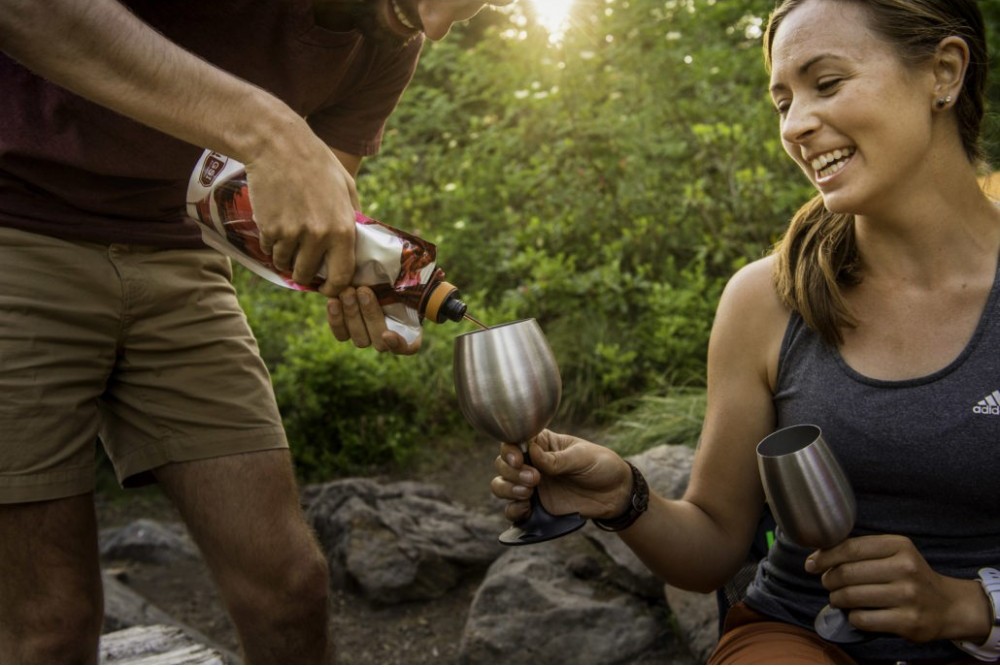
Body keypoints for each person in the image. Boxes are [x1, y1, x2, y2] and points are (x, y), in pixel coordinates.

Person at [491, 0, 1000, 663]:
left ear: (944, 72)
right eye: (782, 101)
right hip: (802, 634)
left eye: (827, 83)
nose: (797, 125)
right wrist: (622, 495)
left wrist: (969, 605)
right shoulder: (766, 299)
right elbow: (711, 546)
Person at [0, 0, 509, 662]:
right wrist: (266, 126)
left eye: (467, 12)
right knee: (52, 623)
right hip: (17, 226)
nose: (435, 28)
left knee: (290, 587)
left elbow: (308, 210)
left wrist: (346, 273)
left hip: (182, 254)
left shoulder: (392, 34)